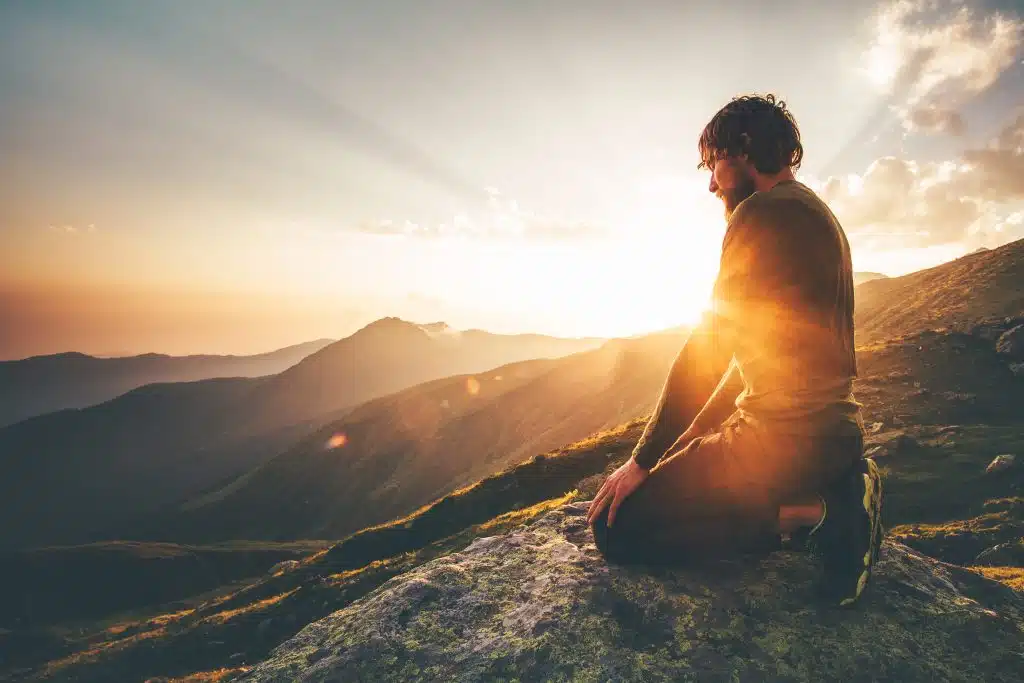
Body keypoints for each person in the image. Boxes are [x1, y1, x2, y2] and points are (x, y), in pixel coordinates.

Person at [586, 94, 883, 607]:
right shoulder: (816, 212)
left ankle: (823, 512)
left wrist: (641, 462)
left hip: (777, 442)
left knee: (618, 530)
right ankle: (837, 489)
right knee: (681, 495)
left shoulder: (759, 215)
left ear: (742, 151)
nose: (710, 182)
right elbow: (749, 351)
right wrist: (690, 441)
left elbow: (712, 343)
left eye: (712, 164)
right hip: (830, 435)